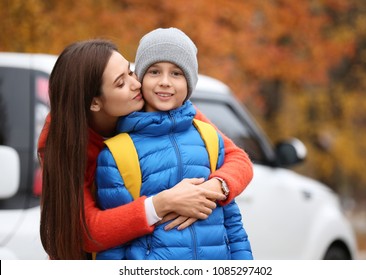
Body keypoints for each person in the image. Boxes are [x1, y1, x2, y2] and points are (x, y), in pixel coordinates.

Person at [39, 38, 253, 260]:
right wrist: (161, 204)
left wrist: (209, 190)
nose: (136, 84)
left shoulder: (163, 109)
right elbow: (86, 230)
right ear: (94, 102)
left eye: (130, 72)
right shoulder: (63, 142)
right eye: (120, 83)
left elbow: (237, 158)